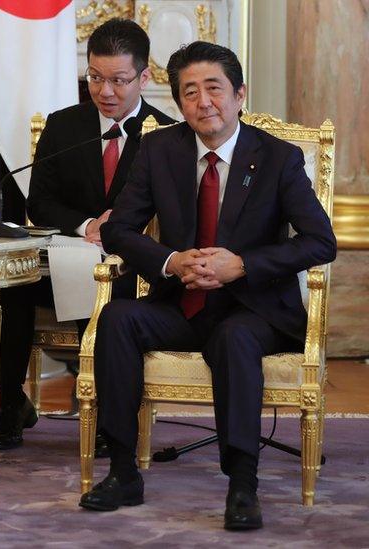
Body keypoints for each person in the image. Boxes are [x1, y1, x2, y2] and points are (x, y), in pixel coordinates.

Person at [78, 41, 336, 531]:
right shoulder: (159, 150)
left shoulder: (277, 158)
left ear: (240, 94)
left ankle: (242, 484)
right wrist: (172, 261)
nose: (204, 103)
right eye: (190, 92)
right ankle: (123, 471)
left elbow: (321, 241)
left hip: (254, 310)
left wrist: (242, 265)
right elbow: (119, 229)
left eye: (214, 89)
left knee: (234, 337)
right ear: (179, 102)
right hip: (181, 302)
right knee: (117, 318)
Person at [0, 18, 174, 450]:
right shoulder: (65, 125)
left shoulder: (166, 135)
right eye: (94, 77)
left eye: (118, 80)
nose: (104, 92)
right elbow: (41, 202)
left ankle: (112, 416)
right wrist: (87, 225)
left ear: (144, 77)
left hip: (132, 271)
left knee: (107, 294)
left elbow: (176, 212)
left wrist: (123, 225)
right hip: (67, 255)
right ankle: (10, 404)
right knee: (11, 285)